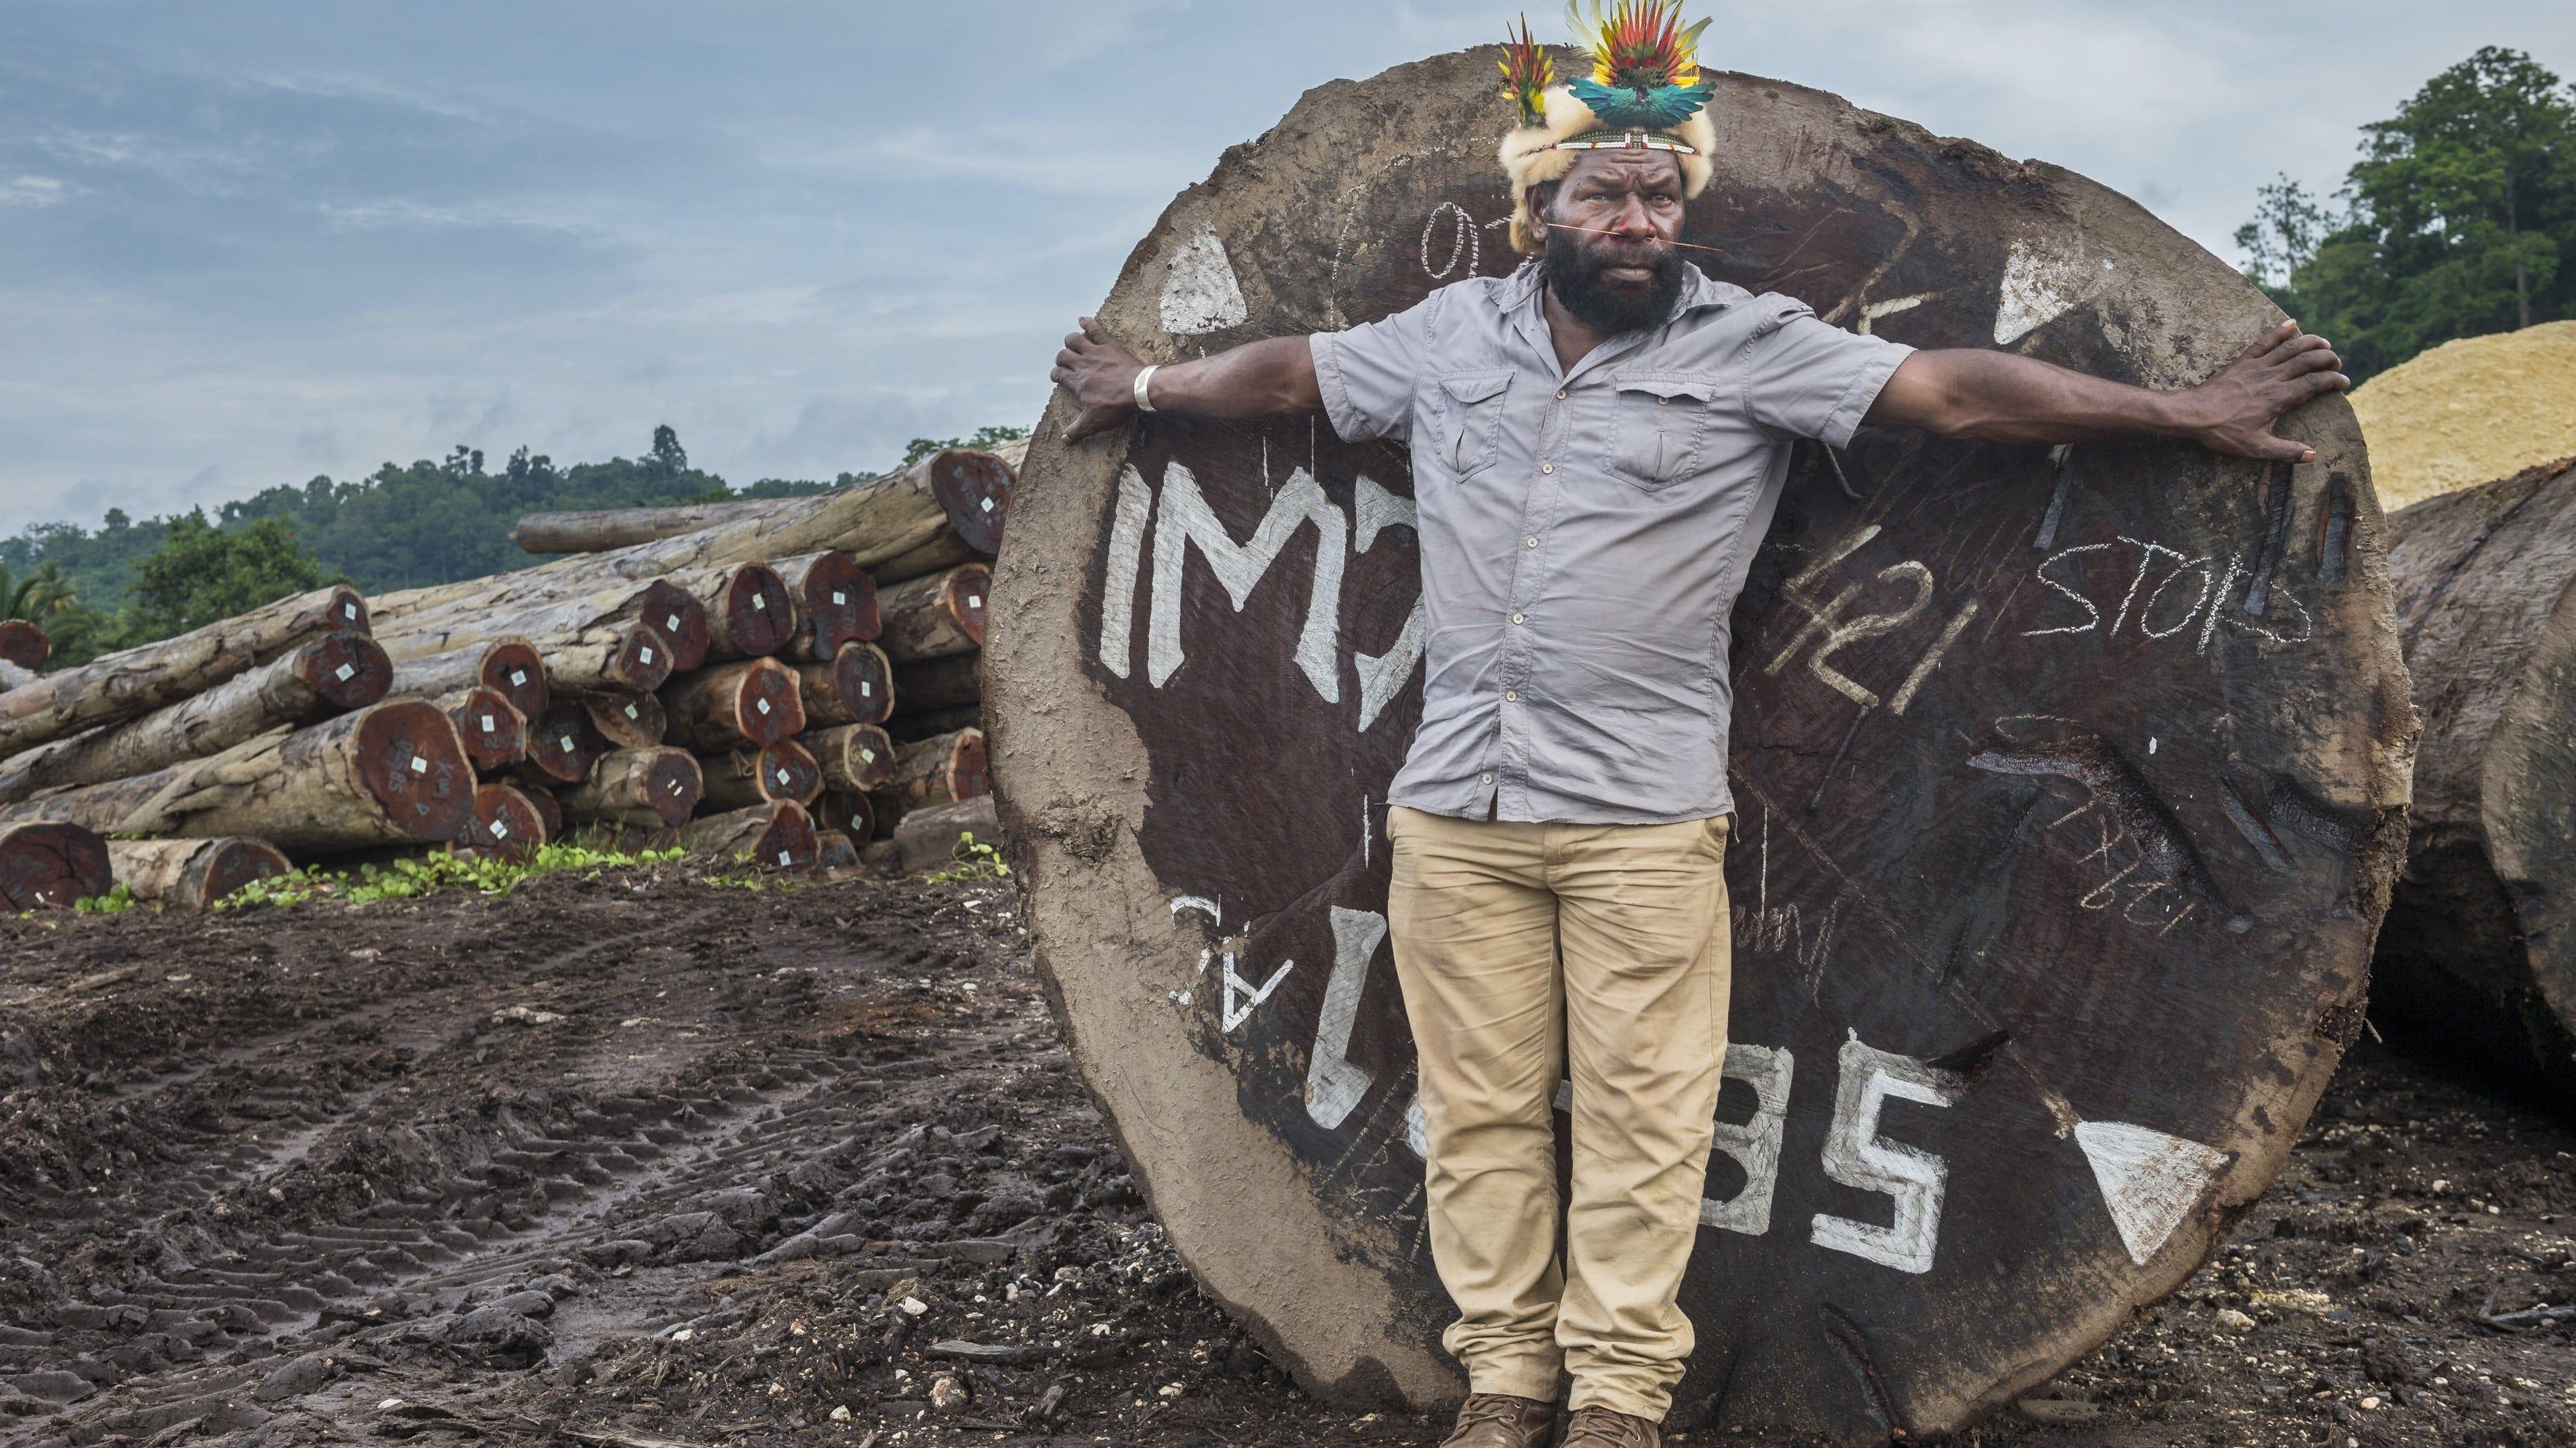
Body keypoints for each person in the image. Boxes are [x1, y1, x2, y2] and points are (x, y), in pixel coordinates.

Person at [1051, 8, 2346, 1445]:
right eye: (1603, 193)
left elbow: (1956, 395)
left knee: (1640, 1124)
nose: (1637, 219)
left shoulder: (1749, 346)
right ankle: (1504, 1386)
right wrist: (1148, 387)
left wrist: (2178, 411)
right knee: (1475, 1117)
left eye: (1661, 196)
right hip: (1454, 818)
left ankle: (1613, 1399)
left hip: (1638, 825)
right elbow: (1289, 372)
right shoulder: (1444, 337)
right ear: (1533, 209)